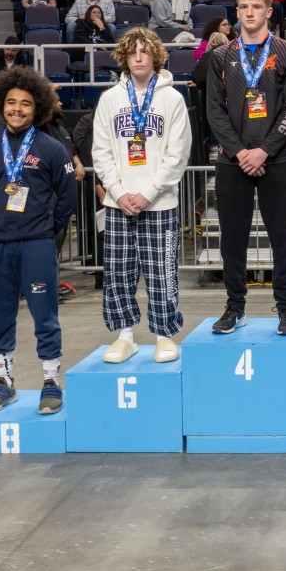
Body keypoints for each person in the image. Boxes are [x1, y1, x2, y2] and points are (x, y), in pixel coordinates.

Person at [0, 67, 77, 415]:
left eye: (26, 103)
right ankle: (4, 383)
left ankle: (51, 382)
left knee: (45, 316)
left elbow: (67, 198)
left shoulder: (52, 149)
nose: (17, 109)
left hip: (36, 245)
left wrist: (43, 229)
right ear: (1, 104)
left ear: (38, 108)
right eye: (11, 102)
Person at [206, 0, 286, 336]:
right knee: (232, 240)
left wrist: (264, 150)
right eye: (244, 7)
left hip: (276, 159)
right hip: (233, 161)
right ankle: (235, 306)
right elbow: (214, 111)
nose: (250, 12)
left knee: (283, 238)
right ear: (237, 12)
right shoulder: (220, 56)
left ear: (268, 12)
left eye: (256, 7)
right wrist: (240, 151)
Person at [91, 28, 191, 365]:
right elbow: (101, 152)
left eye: (144, 51)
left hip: (160, 202)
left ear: (155, 56)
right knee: (118, 272)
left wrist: (148, 193)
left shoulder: (172, 98)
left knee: (162, 271)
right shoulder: (109, 99)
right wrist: (119, 193)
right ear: (123, 56)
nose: (137, 57)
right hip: (118, 204)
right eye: (132, 52)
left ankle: (164, 336)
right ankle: (125, 337)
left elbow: (178, 154)